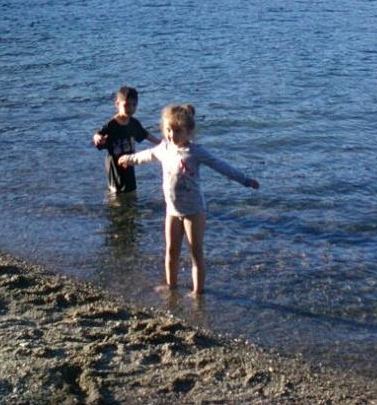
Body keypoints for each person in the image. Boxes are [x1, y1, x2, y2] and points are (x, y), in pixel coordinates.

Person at [119, 103, 258, 296]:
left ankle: (197, 292)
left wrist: (244, 180)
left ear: (189, 131)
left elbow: (220, 165)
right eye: (168, 130)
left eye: (177, 131)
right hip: (172, 211)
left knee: (195, 252)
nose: (171, 135)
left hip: (194, 211)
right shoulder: (164, 148)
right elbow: (146, 155)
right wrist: (128, 159)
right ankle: (171, 285)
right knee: (171, 251)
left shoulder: (195, 152)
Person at [92, 86, 159, 196]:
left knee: (131, 192)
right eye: (126, 105)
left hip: (129, 166)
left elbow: (145, 134)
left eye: (134, 105)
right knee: (116, 196)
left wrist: (160, 143)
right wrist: (98, 138)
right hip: (115, 169)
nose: (130, 108)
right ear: (117, 104)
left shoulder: (133, 123)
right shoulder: (112, 125)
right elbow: (98, 134)